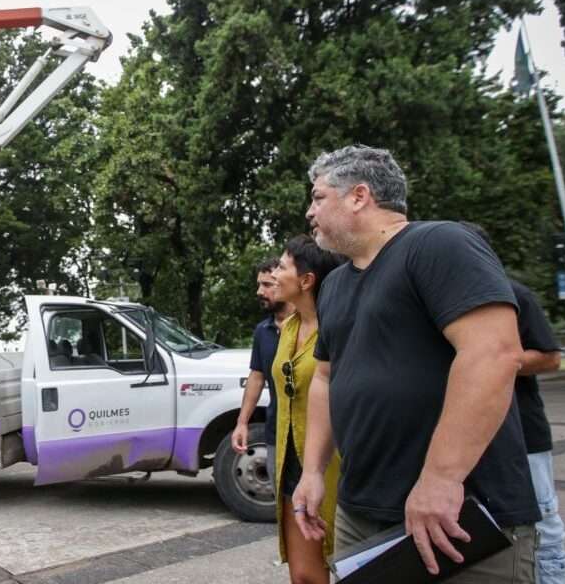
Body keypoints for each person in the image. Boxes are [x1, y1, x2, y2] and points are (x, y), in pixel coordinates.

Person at [291, 145, 539, 583]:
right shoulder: (333, 287)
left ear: (359, 196)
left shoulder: (439, 243)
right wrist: (313, 472)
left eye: (317, 197)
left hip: (457, 516)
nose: (309, 211)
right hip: (362, 516)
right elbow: (325, 379)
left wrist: (441, 480)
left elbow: (493, 354)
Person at [461, 222, 565, 584]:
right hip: (475, 436)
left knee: (544, 522)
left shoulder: (514, 294)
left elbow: (551, 358)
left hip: (524, 432)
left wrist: (492, 358)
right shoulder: (446, 300)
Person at [270, 235, 347, 583]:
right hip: (292, 464)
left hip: (337, 465)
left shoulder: (341, 327)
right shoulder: (288, 327)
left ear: (306, 280)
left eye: (282, 266)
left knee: (346, 562)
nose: (273, 273)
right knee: (303, 575)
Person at [231, 257, 292, 491]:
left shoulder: (313, 325)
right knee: (283, 502)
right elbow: (257, 377)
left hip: (311, 433)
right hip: (276, 431)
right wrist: (242, 422)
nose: (259, 291)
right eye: (259, 285)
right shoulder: (262, 331)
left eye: (267, 285)